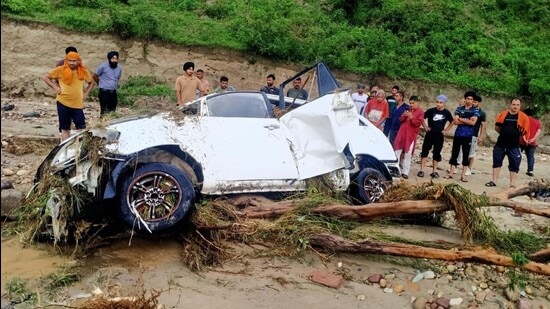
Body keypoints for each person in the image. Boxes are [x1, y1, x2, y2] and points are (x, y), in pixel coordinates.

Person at [42, 51, 95, 142]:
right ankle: (65, 149)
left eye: (74, 61)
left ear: (78, 61)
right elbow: (45, 77)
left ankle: (80, 150)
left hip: (77, 104)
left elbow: (92, 82)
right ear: (66, 60)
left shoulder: (83, 71)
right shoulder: (60, 69)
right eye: (69, 60)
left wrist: (86, 93)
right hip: (63, 102)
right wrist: (55, 87)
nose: (71, 63)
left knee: (82, 128)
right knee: (64, 128)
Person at [485, 98, 530, 188]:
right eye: (514, 104)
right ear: (510, 105)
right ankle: (494, 180)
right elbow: (497, 127)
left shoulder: (523, 117)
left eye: (517, 105)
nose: (515, 106)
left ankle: (512, 183)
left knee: (514, 163)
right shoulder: (503, 114)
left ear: (520, 106)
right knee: (497, 162)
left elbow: (525, 131)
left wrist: (515, 135)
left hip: (514, 145)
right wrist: (505, 133)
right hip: (501, 143)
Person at [445, 91, 479, 182]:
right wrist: (466, 120)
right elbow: (455, 121)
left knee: (466, 155)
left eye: (471, 99)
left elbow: (473, 122)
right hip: (458, 134)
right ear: (465, 99)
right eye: (468, 98)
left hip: (468, 135)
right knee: (454, 154)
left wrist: (461, 119)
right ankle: (451, 173)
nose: (469, 101)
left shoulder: (475, 110)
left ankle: (463, 175)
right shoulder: (459, 108)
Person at [418, 94, 454, 178]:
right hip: (430, 134)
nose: (438, 104)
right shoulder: (431, 111)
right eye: (437, 102)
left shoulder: (447, 112)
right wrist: (425, 127)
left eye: (441, 102)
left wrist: (446, 130)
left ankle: (434, 171)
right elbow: (421, 117)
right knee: (425, 151)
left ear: (444, 103)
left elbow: (452, 121)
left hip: (439, 135)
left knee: (437, 153)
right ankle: (422, 170)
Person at [393, 96, 424, 179]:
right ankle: (396, 170)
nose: (411, 105)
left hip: (411, 136)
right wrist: (405, 115)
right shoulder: (407, 110)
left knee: (408, 153)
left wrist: (411, 117)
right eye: (410, 103)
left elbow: (417, 123)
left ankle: (405, 172)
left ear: (417, 103)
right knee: (397, 151)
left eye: (413, 103)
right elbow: (400, 119)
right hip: (402, 133)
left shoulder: (420, 112)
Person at [93, 50, 122, 117]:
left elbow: (117, 79)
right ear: (109, 59)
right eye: (113, 59)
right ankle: (102, 124)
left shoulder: (119, 68)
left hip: (113, 92)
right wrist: (99, 83)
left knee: (112, 110)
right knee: (104, 110)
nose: (114, 60)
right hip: (104, 92)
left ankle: (111, 123)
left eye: (116, 59)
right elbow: (95, 75)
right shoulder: (103, 66)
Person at [465, 94, 486, 176]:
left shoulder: (482, 113)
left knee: (472, 152)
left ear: (479, 103)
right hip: (465, 133)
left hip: (474, 134)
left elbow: (483, 125)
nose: (473, 103)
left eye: (475, 102)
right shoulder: (469, 110)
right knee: (463, 150)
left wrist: (481, 136)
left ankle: (469, 168)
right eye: (472, 101)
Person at [519, 108, 541, 177]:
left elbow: (522, 130)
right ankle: (530, 171)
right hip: (532, 142)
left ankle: (515, 167)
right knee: (530, 156)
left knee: (517, 155)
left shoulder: (523, 121)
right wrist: (533, 138)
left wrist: (524, 138)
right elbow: (538, 131)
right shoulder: (537, 122)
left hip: (521, 141)